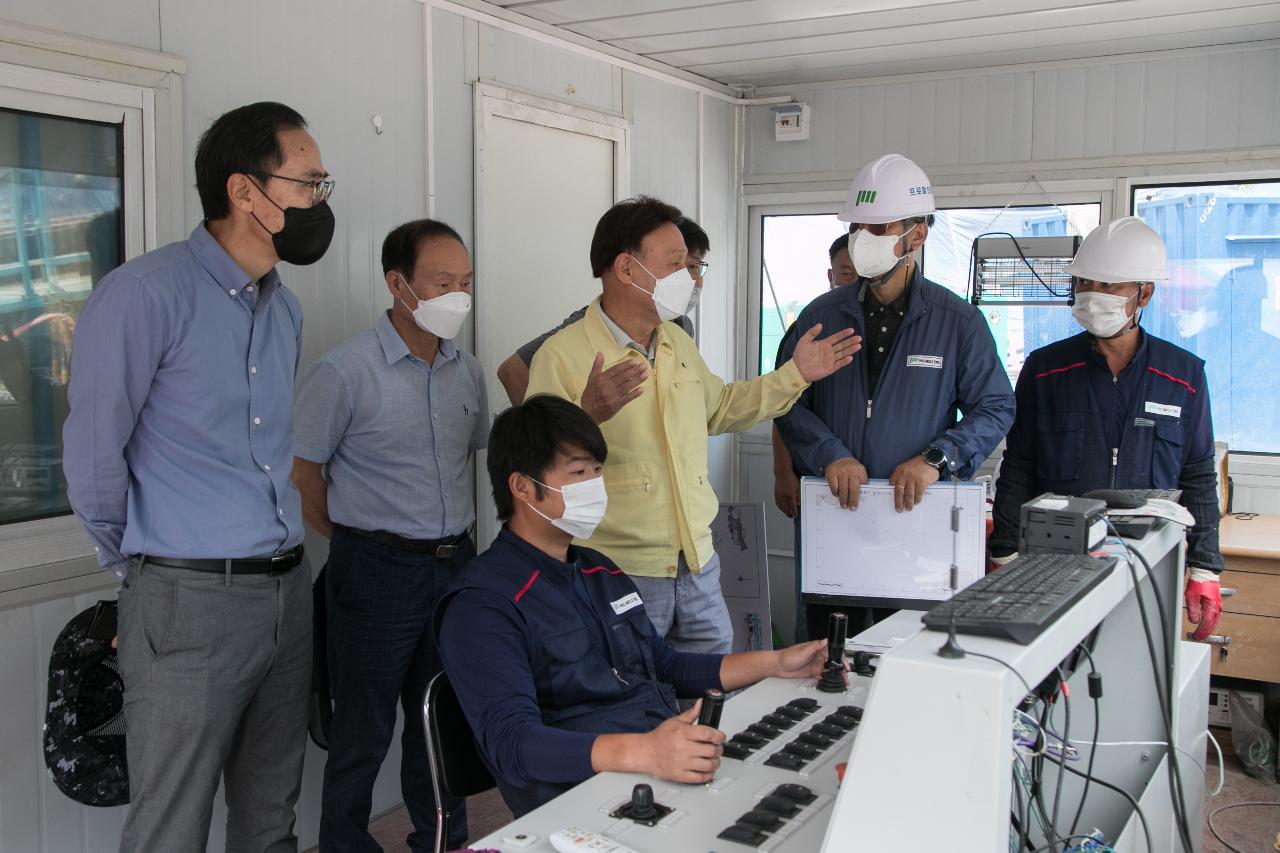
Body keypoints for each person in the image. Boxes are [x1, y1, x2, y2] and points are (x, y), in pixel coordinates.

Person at [63, 101, 333, 852]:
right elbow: (91, 459)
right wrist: (147, 572)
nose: (320, 201)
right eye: (309, 183)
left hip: (284, 591)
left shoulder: (285, 311)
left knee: (270, 817)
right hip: (186, 601)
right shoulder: (144, 294)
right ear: (247, 192)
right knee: (170, 825)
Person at [436, 395, 835, 815]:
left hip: (657, 767)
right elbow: (512, 744)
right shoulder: (482, 605)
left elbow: (664, 665)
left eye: (597, 471)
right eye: (578, 473)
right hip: (582, 799)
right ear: (521, 487)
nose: (595, 485)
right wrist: (644, 752)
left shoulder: (599, 572)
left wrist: (773, 664)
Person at [527, 196, 860, 653]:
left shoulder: (676, 342)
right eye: (676, 264)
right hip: (617, 571)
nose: (690, 277)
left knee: (710, 702)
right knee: (635, 705)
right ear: (626, 269)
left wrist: (796, 375)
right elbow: (535, 472)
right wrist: (588, 416)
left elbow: (720, 407)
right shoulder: (562, 355)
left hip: (697, 563)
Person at [291, 219, 486, 851]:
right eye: (441, 282)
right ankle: (345, 844)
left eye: (465, 282)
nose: (457, 295)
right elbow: (303, 474)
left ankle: (440, 840)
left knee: (441, 722)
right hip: (374, 572)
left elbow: (476, 460)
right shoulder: (344, 372)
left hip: (456, 568)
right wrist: (354, 537)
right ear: (398, 283)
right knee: (363, 730)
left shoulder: (467, 373)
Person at [775, 154, 1015, 637]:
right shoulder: (820, 316)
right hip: (836, 518)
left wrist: (936, 458)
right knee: (825, 657)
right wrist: (830, 456)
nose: (864, 239)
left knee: (905, 655)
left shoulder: (956, 323)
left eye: (879, 228)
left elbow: (995, 407)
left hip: (916, 526)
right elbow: (785, 400)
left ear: (916, 235)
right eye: (858, 227)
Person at [990, 216, 1224, 640]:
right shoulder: (1046, 370)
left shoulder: (1184, 376)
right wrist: (1004, 551)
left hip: (1150, 563)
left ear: (1144, 293)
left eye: (1110, 286)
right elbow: (1019, 465)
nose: (1092, 295)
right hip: (1052, 562)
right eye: (1084, 283)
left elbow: (1198, 475)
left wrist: (1205, 566)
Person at [496, 216, 711, 406]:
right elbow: (512, 371)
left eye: (695, 267)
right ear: (628, 268)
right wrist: (552, 429)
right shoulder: (590, 324)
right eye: (678, 265)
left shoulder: (681, 328)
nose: (695, 280)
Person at [772, 233, 859, 642]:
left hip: (882, 492)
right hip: (819, 487)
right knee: (820, 597)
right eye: (845, 273)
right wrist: (783, 473)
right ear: (831, 275)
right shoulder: (812, 325)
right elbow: (780, 402)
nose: (855, 280)